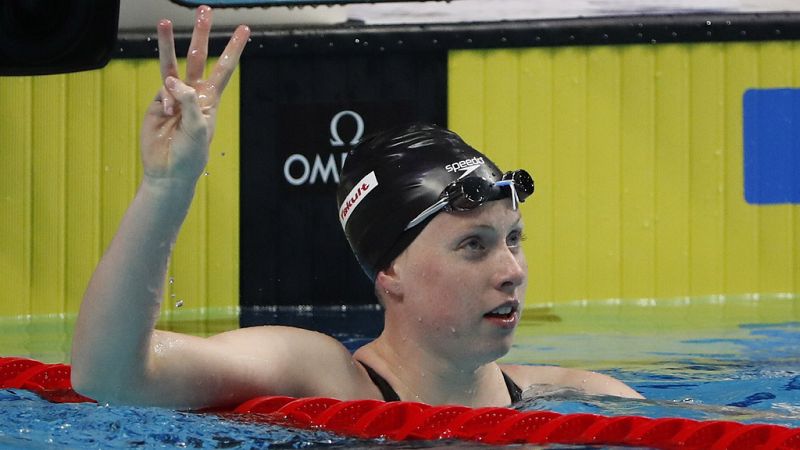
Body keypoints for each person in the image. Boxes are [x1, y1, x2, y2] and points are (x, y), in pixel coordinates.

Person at [70, 5, 643, 410]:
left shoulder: (583, 396)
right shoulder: (319, 376)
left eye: (512, 238)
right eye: (474, 245)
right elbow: (113, 376)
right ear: (390, 271)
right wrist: (166, 188)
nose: (511, 271)